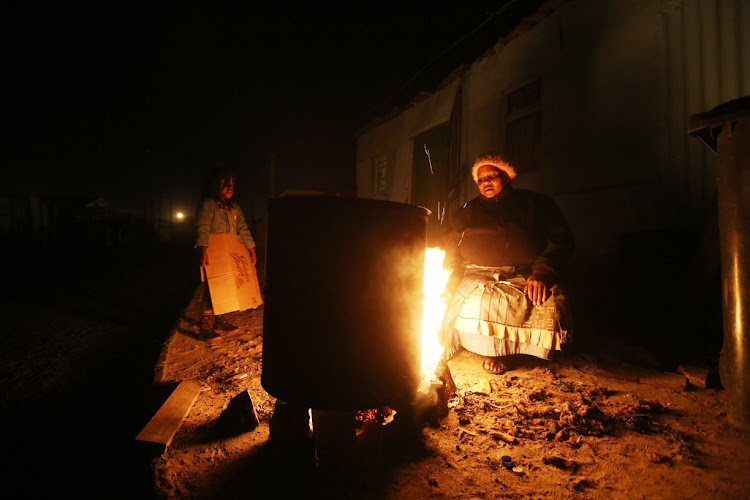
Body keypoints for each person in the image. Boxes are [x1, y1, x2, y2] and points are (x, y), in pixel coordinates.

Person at [440, 153, 574, 374]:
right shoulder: (468, 211)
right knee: (481, 301)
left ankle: (517, 350)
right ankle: (491, 350)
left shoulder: (536, 203)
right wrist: (451, 273)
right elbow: (448, 244)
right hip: (478, 273)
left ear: (508, 177)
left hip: (525, 272)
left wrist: (542, 272)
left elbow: (562, 240)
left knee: (549, 298)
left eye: (492, 177)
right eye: (481, 180)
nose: (486, 183)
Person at [195, 168, 257, 341]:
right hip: (213, 253)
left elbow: (243, 229)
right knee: (212, 289)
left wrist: (251, 249)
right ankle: (206, 326)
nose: (229, 188)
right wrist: (203, 250)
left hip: (230, 252)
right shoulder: (209, 204)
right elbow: (203, 228)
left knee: (228, 286)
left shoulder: (235, 209)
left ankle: (221, 320)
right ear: (214, 186)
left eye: (232, 185)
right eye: (224, 184)